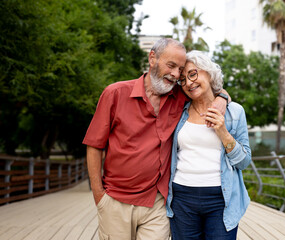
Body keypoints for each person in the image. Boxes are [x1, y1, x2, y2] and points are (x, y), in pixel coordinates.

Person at [82, 38, 229, 240]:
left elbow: (207, 87)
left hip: (157, 204)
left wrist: (223, 97)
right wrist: (99, 195)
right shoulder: (115, 93)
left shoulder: (179, 95)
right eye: (171, 66)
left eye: (179, 69)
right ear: (153, 58)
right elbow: (94, 146)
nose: (176, 74)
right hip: (115, 201)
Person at [166, 50, 252, 240]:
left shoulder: (235, 112)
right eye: (183, 79)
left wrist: (223, 132)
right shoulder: (178, 110)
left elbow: (244, 162)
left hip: (221, 199)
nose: (188, 83)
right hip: (182, 198)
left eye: (193, 74)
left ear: (209, 72)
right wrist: (222, 96)